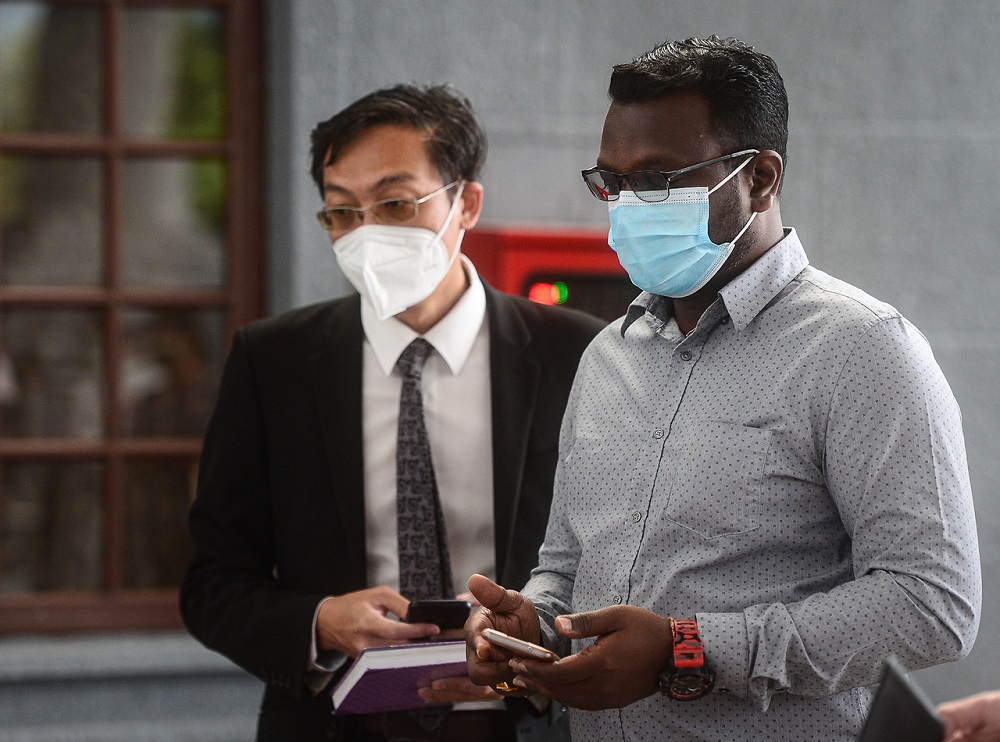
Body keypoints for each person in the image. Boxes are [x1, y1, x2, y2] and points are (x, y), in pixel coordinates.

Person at [465, 36, 982, 741]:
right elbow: (567, 566)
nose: (627, 206)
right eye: (612, 182)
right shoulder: (607, 356)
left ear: (761, 178)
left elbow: (932, 605)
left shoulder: (862, 349)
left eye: (658, 179)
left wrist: (689, 649)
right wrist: (535, 623)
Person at [180, 83, 605, 742]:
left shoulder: (577, 352)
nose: (366, 232)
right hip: (334, 725)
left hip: (525, 724)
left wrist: (533, 657)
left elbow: (629, 562)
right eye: (342, 212)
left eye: (396, 203)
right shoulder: (274, 361)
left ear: (466, 202)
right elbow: (212, 583)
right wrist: (320, 620)